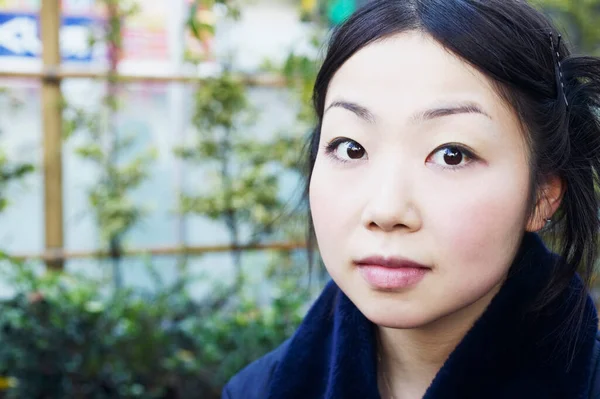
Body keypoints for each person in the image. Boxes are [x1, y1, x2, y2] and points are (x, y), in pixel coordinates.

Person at [222, 0, 600, 398]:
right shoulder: (255, 390)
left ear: (543, 193)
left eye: (451, 154)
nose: (386, 211)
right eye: (351, 148)